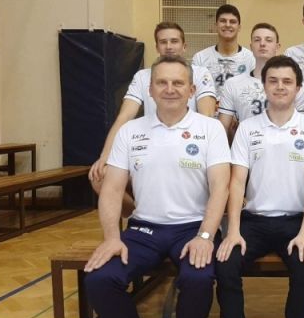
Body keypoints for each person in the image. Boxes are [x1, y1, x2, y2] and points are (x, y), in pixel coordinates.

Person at [83, 55, 231, 318]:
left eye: (178, 83)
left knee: (198, 277)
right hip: (143, 230)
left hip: (193, 228)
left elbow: (221, 187)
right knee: (100, 278)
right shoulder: (130, 132)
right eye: (162, 82)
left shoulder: (210, 129)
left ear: (192, 90)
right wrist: (111, 237)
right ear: (150, 90)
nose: (170, 89)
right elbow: (112, 189)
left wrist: (206, 236)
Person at [208, 55, 304, 318]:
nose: (280, 87)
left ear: (299, 88)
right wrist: (232, 230)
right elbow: (236, 183)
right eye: (273, 81)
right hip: (253, 222)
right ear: (264, 86)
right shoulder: (248, 128)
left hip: (296, 222)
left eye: (287, 81)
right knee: (225, 263)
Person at [87, 22, 216, 214]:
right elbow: (124, 116)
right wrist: (105, 156)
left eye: (174, 41)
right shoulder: (142, 77)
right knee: (100, 177)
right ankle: (140, 213)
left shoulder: (200, 73)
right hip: (149, 148)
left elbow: (207, 115)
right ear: (156, 47)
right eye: (163, 42)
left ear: (184, 46)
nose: (169, 46)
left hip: (188, 147)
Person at [218, 23, 304, 140]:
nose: (262, 44)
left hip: (287, 144)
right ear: (251, 46)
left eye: (268, 40)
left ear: (277, 46)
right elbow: (222, 129)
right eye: (257, 40)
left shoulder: (294, 86)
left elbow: (303, 126)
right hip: (248, 145)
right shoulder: (233, 84)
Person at [192, 4, 255, 99]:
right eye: (223, 21)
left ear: (239, 27)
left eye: (232, 22)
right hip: (208, 108)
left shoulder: (251, 59)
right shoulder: (200, 58)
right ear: (216, 26)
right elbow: (193, 93)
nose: (228, 25)